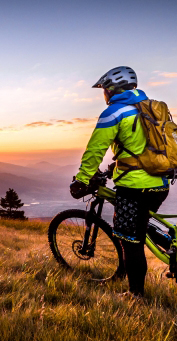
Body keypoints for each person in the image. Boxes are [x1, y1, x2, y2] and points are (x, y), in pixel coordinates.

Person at [70, 66, 169, 297]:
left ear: (111, 89)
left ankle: (136, 295)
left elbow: (95, 150)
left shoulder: (114, 112)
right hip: (160, 182)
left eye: (104, 89)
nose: (103, 94)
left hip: (135, 187)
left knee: (130, 241)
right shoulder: (151, 108)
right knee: (140, 224)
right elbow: (144, 146)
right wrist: (117, 165)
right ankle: (170, 249)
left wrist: (82, 180)